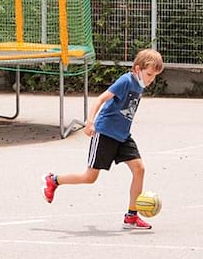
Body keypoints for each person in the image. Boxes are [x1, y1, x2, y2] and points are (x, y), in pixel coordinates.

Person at [41, 49, 164, 230]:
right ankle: (54, 180)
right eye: (149, 74)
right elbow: (100, 99)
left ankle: (131, 216)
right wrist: (90, 121)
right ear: (138, 69)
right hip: (105, 133)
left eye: (154, 76)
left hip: (122, 135)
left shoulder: (139, 85)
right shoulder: (126, 81)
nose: (151, 79)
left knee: (139, 168)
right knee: (90, 177)